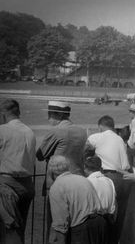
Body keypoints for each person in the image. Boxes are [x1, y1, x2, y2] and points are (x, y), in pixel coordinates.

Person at [36, 100, 87, 241]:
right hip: (79, 180)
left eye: (50, 114)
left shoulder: (56, 131)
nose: (48, 118)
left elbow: (40, 155)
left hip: (58, 181)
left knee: (56, 224)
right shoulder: (81, 131)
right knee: (76, 221)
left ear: (57, 115)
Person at [85, 115, 132, 244]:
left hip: (109, 177)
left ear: (100, 126)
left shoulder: (97, 137)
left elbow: (85, 150)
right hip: (124, 178)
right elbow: (125, 164)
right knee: (119, 217)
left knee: (103, 214)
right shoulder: (120, 139)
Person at [48, 155, 107, 244]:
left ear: (51, 171)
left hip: (81, 229)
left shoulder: (56, 187)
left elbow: (60, 222)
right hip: (99, 224)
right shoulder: (83, 179)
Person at [0, 99, 36, 244]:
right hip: (27, 185)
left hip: (7, 186)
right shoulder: (29, 131)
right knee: (19, 229)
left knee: (9, 230)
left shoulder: (3, 130)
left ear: (3, 114)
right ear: (18, 112)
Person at [84, 156, 116, 222]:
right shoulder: (109, 181)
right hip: (109, 219)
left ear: (86, 169)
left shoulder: (87, 182)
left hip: (93, 220)